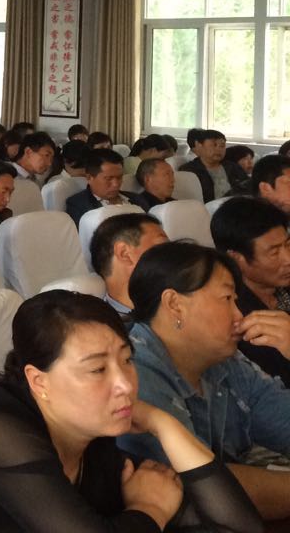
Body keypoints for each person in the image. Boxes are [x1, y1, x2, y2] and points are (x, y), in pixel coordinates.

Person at [0, 289, 260, 533]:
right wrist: (149, 509)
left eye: (127, 360)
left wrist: (164, 424)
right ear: (39, 381)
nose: (125, 384)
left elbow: (240, 526)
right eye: (97, 369)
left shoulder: (91, 432)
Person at [121, 242, 290, 522]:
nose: (239, 316)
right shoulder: (132, 372)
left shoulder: (224, 361)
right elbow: (205, 487)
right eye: (227, 298)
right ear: (174, 304)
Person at [210, 197, 290, 388]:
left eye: (288, 245)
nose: (288, 259)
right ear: (235, 258)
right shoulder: (234, 319)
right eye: (274, 252)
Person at [89, 213, 168, 318]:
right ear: (125, 254)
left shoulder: (179, 304)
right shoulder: (100, 325)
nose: (175, 254)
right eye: (163, 246)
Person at [66, 149, 134, 226]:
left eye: (119, 177)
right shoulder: (78, 205)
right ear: (89, 178)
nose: (116, 184)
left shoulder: (135, 198)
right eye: (108, 178)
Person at [181, 130, 248, 203]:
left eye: (222, 146)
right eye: (214, 145)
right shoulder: (189, 170)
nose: (219, 149)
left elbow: (247, 187)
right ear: (200, 146)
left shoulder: (232, 167)